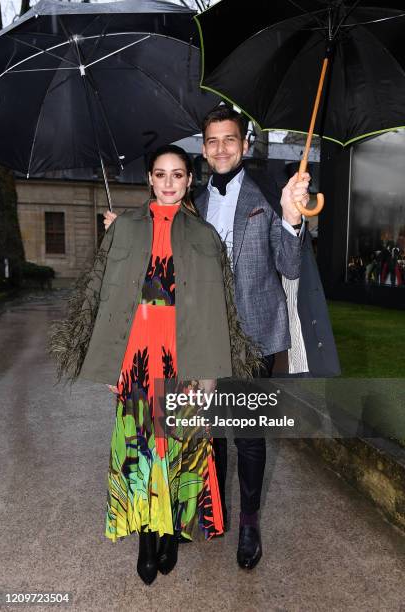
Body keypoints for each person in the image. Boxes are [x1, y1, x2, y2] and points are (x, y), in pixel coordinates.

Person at [103, 106, 340, 571]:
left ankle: (249, 521)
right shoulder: (192, 200)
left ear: (245, 144)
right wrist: (123, 232)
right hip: (197, 333)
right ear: (204, 149)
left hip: (253, 334)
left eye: (229, 140)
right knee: (205, 432)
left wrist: (293, 219)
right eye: (211, 141)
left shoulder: (270, 193)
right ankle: (213, 510)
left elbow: (290, 266)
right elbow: (156, 234)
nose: (220, 149)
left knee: (248, 436)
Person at [49, 144, 260, 585]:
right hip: (137, 357)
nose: (168, 182)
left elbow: (215, 308)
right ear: (148, 178)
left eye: (177, 175)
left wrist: (207, 377)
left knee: (178, 451)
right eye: (160, 174)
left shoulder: (203, 235)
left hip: (183, 356)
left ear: (188, 181)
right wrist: (110, 365)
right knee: (141, 451)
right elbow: (102, 298)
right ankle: (146, 540)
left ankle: (169, 534)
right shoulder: (123, 228)